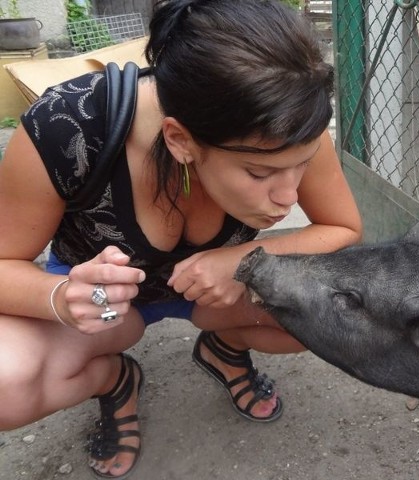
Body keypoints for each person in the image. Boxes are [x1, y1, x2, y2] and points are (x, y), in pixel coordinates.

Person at [0, 0, 362, 478]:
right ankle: (114, 379)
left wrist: (243, 259)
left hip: (215, 298)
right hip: (108, 310)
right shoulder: (66, 125)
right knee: (8, 386)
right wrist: (63, 297)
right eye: (260, 173)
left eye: (304, 162)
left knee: (331, 316)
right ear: (180, 139)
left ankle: (224, 348)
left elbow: (342, 227)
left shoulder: (287, 121)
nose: (288, 196)